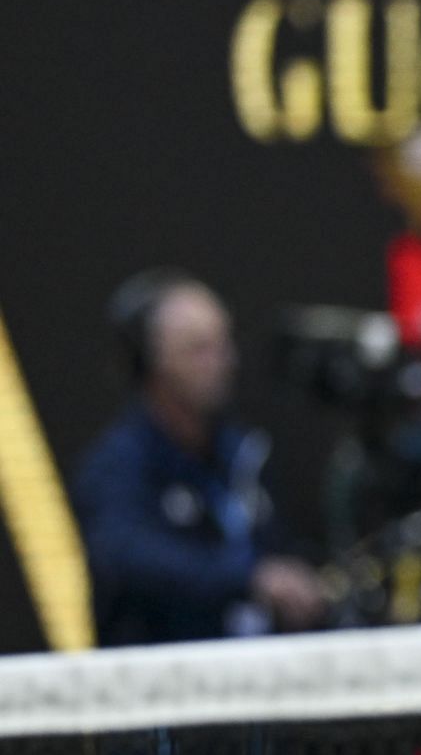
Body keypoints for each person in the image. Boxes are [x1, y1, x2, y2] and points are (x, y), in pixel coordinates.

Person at [72, 268, 329, 645]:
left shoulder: (245, 454)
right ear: (150, 363)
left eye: (223, 344)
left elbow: (278, 552)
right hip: (159, 684)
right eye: (199, 349)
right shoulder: (117, 466)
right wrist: (248, 578)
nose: (223, 362)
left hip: (261, 679)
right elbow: (127, 558)